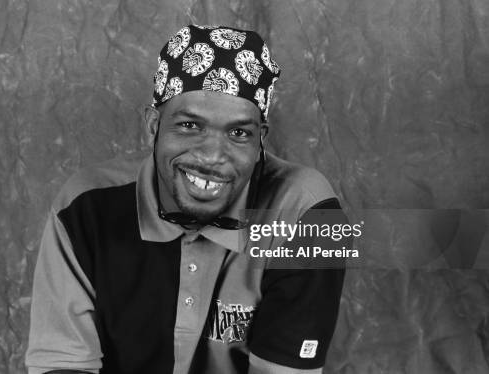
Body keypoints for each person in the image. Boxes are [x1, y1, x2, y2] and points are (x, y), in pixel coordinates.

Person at [25, 25, 346, 374]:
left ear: (259, 142)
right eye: (190, 126)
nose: (211, 156)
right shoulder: (85, 208)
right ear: (153, 126)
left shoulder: (309, 215)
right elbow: (63, 364)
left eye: (239, 133)